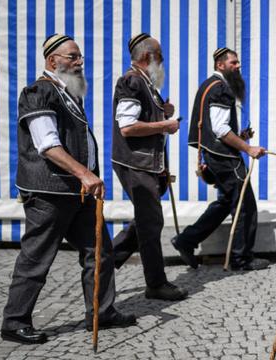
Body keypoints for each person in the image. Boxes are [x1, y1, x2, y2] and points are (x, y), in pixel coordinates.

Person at [1, 34, 135, 344]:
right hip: (50, 191)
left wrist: (86, 178)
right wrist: (85, 174)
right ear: (52, 61)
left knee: (100, 251)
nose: (79, 63)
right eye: (73, 57)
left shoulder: (69, 93)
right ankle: (14, 321)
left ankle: (101, 311)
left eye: (80, 58)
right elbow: (48, 146)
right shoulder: (38, 92)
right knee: (37, 257)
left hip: (77, 191)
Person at [171, 47, 270, 271]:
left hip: (214, 154)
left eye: (237, 63)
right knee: (245, 205)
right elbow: (219, 129)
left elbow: (212, 126)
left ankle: (186, 240)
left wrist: (241, 136)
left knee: (226, 202)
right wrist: (248, 147)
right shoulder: (221, 88)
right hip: (224, 157)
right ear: (220, 65)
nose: (237, 67)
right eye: (233, 63)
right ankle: (241, 258)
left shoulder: (208, 85)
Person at [110, 33, 187, 301]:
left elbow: (141, 118)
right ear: (146, 57)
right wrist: (165, 124)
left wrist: (163, 111)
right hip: (135, 163)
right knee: (151, 221)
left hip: (145, 164)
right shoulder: (131, 82)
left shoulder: (145, 84)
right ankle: (155, 283)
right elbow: (128, 127)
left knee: (145, 220)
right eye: (160, 58)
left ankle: (103, 263)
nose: (163, 63)